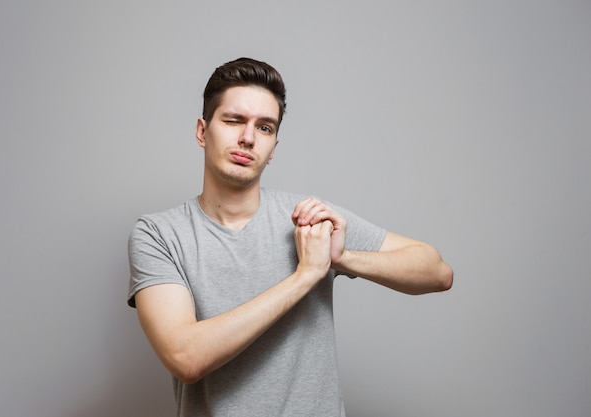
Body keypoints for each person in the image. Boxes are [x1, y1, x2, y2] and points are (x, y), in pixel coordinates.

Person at [127, 57, 453, 417]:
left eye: (264, 128)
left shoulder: (308, 218)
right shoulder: (159, 234)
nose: (248, 138)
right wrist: (305, 277)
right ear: (203, 132)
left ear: (274, 148)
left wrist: (341, 258)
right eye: (234, 121)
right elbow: (185, 357)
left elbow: (438, 272)